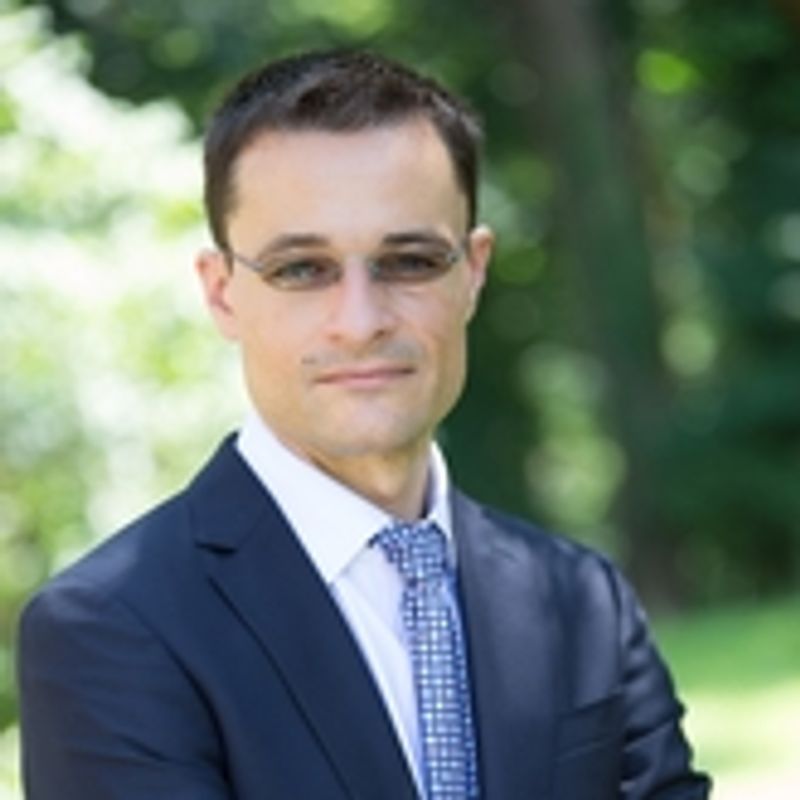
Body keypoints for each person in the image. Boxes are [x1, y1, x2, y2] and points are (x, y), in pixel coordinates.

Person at [17, 50, 710, 799]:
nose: (360, 321)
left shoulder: (583, 601)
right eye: (301, 269)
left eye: (409, 261)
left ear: (473, 272)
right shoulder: (112, 628)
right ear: (222, 294)